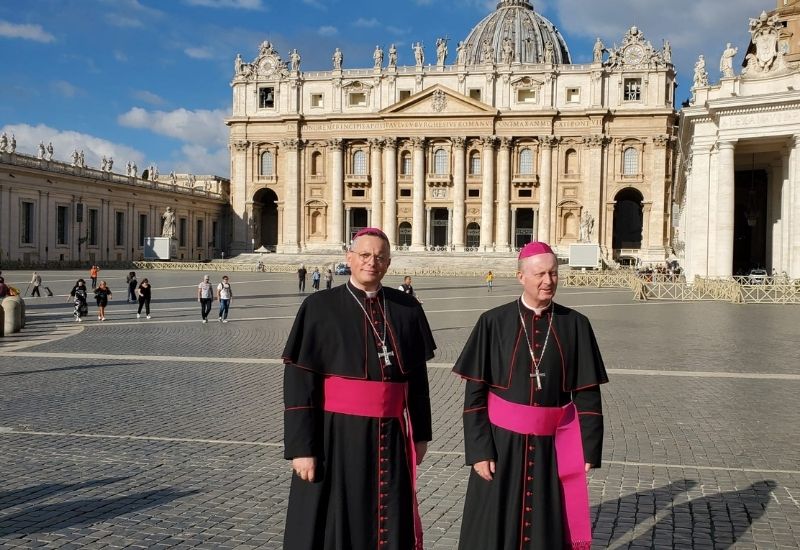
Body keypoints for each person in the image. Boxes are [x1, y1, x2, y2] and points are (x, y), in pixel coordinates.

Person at [282, 227, 436, 550]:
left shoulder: (407, 309)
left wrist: (420, 434)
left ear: (389, 263)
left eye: (380, 257)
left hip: (391, 437)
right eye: (364, 255)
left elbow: (417, 381)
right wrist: (301, 448)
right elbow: (300, 382)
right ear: (348, 258)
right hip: (335, 437)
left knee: (389, 512)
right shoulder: (319, 307)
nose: (372, 262)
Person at [453, 241, 608, 550]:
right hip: (501, 443)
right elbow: (475, 395)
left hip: (554, 445)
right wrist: (479, 450)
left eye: (553, 273)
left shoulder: (576, 324)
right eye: (539, 274)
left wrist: (587, 449)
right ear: (521, 276)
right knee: (494, 525)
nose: (548, 281)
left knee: (547, 525)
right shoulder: (493, 322)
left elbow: (587, 394)